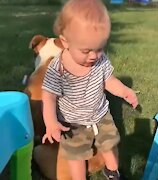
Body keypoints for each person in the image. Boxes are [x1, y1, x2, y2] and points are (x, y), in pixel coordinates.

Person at [41, 0, 138, 179]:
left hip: (101, 115)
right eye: (86, 51)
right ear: (65, 42)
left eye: (99, 48)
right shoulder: (58, 68)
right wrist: (51, 123)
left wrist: (125, 91)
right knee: (76, 157)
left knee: (110, 145)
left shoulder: (100, 60)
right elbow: (48, 97)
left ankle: (112, 171)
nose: (94, 56)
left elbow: (108, 80)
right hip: (71, 123)